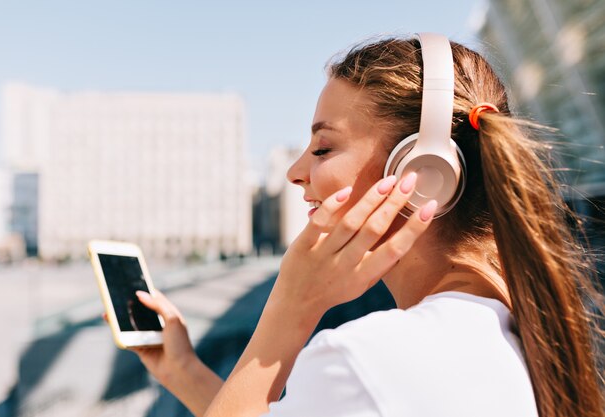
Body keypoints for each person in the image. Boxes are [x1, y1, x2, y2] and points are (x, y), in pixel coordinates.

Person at [129, 33, 604, 417]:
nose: (296, 172)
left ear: (422, 174)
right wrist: (184, 371)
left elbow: (357, 390)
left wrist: (288, 310)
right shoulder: (524, 330)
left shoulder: (366, 361)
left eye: (323, 149)